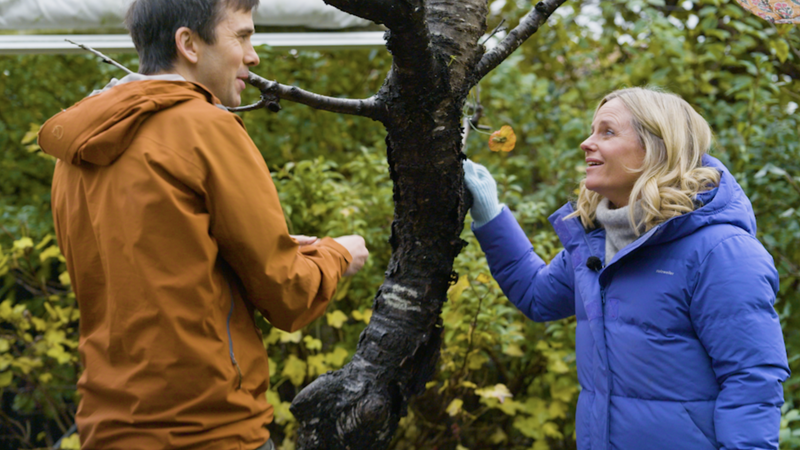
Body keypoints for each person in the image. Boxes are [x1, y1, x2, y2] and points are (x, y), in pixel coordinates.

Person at [37, 0, 369, 448]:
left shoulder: (79, 149)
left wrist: (249, 248)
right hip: (208, 429)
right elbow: (287, 295)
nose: (253, 55)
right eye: (242, 36)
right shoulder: (205, 128)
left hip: (108, 427)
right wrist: (337, 253)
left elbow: (145, 267)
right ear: (188, 44)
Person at [463, 87, 789, 450]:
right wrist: (489, 215)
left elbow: (752, 382)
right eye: (592, 131)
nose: (587, 143)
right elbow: (537, 297)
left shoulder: (722, 251)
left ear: (656, 147)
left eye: (607, 132)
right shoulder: (599, 243)